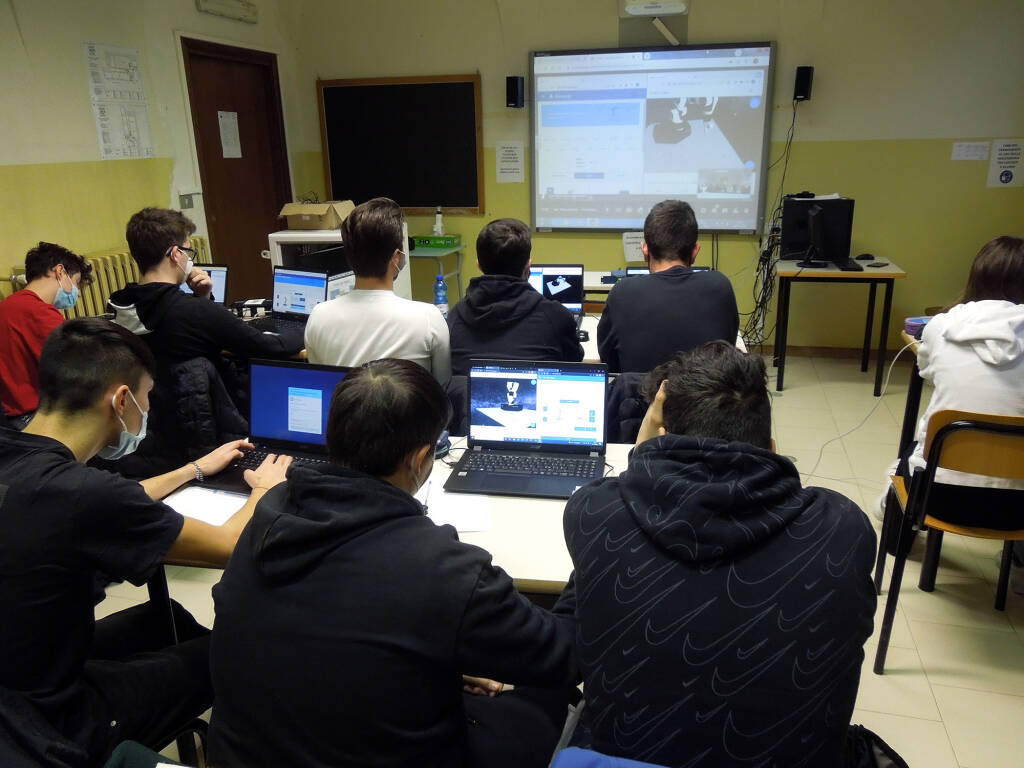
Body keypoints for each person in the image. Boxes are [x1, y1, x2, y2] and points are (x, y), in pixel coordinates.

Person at [208, 358, 578, 768]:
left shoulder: (269, 517)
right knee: (542, 699)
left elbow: (336, 636)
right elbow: (562, 655)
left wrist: (434, 659)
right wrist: (597, 545)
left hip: (245, 755)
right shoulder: (444, 567)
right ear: (420, 459)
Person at [562, 341, 877, 766]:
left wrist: (641, 455)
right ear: (771, 445)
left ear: (661, 435)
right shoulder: (843, 528)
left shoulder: (594, 512)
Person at [0, 317, 291, 767]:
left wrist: (194, 468)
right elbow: (232, 543)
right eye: (147, 397)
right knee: (236, 651)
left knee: (166, 616)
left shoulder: (19, 455)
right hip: (47, 722)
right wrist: (266, 488)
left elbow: (111, 505)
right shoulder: (82, 494)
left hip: (20, 669)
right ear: (120, 399)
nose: (146, 409)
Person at [880, 236, 1024, 579]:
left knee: (916, 452)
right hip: (1019, 510)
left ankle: (896, 543)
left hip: (937, 498)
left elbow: (926, 369)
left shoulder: (943, 325)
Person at [108, 207, 304, 369]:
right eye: (188, 251)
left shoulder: (119, 307)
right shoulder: (197, 312)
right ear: (176, 254)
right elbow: (271, 347)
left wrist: (203, 297)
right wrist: (311, 326)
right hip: (203, 411)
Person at [304, 197, 451, 383]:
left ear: (348, 256)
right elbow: (442, 386)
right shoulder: (428, 319)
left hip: (344, 411)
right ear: (396, 258)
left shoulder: (319, 316)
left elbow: (321, 384)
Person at [597, 199, 739, 373]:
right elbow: (727, 350)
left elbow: (609, 362)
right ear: (695, 251)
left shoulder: (622, 292)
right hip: (704, 399)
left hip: (640, 398)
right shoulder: (720, 287)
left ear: (645, 250)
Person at [447, 218, 583, 376]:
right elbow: (574, 364)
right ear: (528, 267)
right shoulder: (557, 317)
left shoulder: (454, 317)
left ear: (479, 265)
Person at [0, 242, 92, 429]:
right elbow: (76, 367)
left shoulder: (7, 305)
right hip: (31, 417)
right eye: (75, 282)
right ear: (60, 272)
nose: (78, 294)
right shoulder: (40, 313)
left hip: (7, 416)